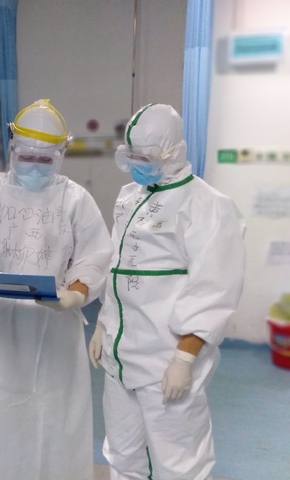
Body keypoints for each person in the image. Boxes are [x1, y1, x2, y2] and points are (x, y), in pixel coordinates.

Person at [0, 99, 113, 480]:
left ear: (61, 155)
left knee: (54, 420)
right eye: (26, 157)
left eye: (44, 160)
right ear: (12, 147)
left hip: (54, 331)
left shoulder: (75, 200)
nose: (34, 166)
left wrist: (76, 293)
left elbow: (95, 256)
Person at [88, 103, 246, 480]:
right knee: (122, 453)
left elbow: (214, 291)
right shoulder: (130, 196)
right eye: (132, 157)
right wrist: (103, 324)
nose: (137, 166)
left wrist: (184, 359)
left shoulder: (207, 205)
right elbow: (117, 267)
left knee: (179, 461)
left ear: (174, 152)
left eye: (146, 158)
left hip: (165, 359)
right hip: (119, 355)